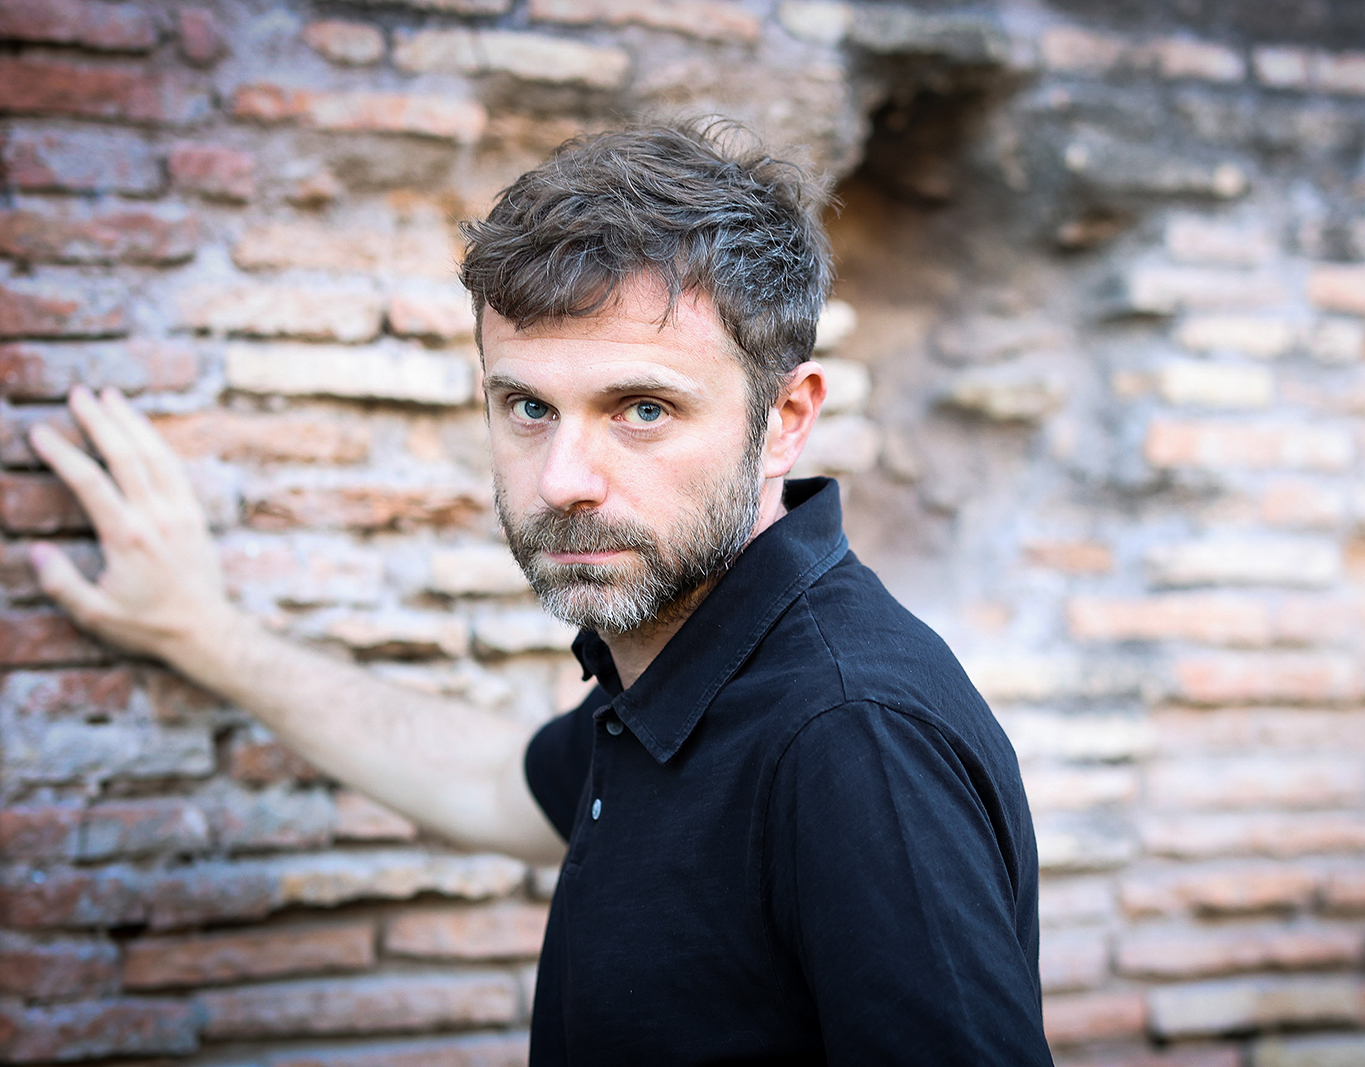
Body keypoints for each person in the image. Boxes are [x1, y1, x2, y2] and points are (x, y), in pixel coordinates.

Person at [28, 123, 1052, 1066]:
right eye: (526, 405)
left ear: (785, 417)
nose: (564, 476)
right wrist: (204, 634)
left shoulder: (847, 734)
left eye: (640, 408)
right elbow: (490, 785)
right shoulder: (682, 667)